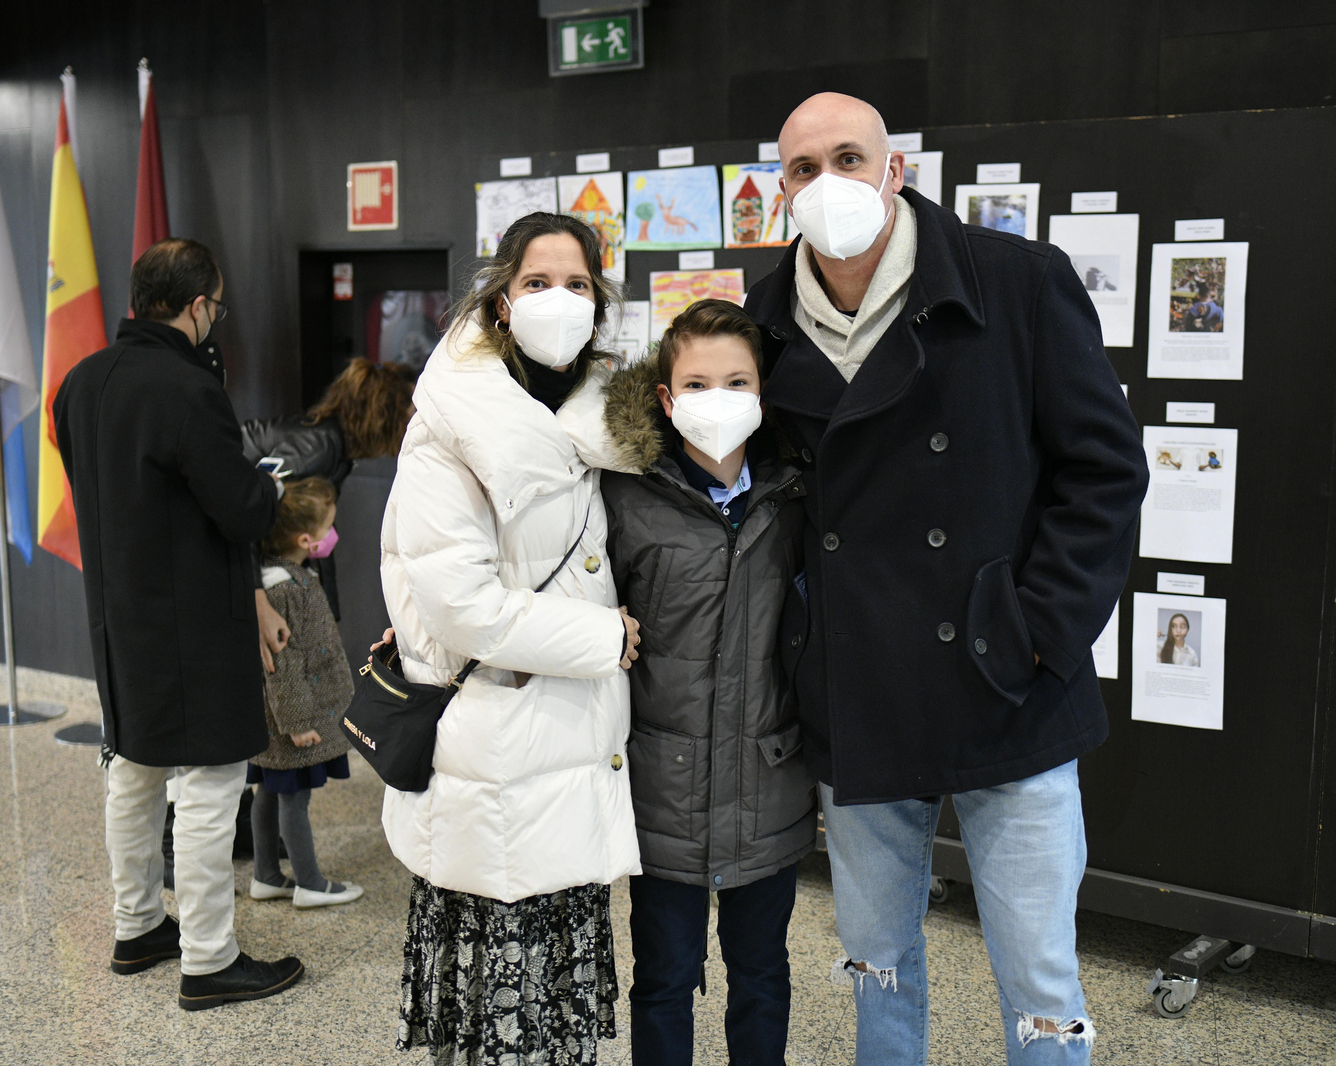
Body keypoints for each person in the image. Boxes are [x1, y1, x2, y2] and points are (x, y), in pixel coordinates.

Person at [745, 94, 1148, 1065]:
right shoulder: (762, 320)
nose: (828, 181)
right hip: (857, 692)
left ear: (896, 171)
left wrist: (1041, 626)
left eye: (849, 156)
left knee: (1039, 974)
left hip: (1004, 679)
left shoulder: (1015, 283)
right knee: (877, 964)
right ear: (780, 189)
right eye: (804, 168)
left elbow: (1103, 469)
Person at [380, 213, 642, 1065]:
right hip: (492, 747)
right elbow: (462, 605)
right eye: (537, 282)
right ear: (499, 299)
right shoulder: (451, 420)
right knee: (492, 1014)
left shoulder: (603, 415)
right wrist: (602, 638)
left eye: (577, 285)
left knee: (554, 1015)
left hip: (571, 749)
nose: (558, 300)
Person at [52, 237, 304, 1011]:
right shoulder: (188, 389)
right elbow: (238, 506)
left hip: (115, 617)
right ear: (198, 307)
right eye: (216, 308)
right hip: (192, 621)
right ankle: (209, 958)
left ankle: (138, 927)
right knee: (209, 780)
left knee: (131, 768)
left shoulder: (80, 382)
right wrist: (269, 490)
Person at [598, 300, 815, 1065]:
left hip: (769, 785)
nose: (715, 399)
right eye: (695, 383)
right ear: (664, 397)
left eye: (735, 381)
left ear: (761, 393)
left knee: (762, 975)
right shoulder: (625, 498)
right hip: (663, 794)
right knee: (663, 979)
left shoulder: (796, 496)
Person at [246, 476, 364, 909]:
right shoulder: (283, 589)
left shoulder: (280, 578)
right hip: (291, 719)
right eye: (327, 527)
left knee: (268, 792)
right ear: (305, 540)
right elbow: (283, 664)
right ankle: (310, 883)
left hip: (274, 719)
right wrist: (297, 724)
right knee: (294, 798)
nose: (333, 534)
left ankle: (267, 874)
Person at [242, 356, 418, 619]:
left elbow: (321, 535)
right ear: (385, 416)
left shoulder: (337, 453)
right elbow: (248, 508)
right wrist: (255, 596)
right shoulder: (318, 447)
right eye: (410, 412)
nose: (414, 421)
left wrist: (330, 616)